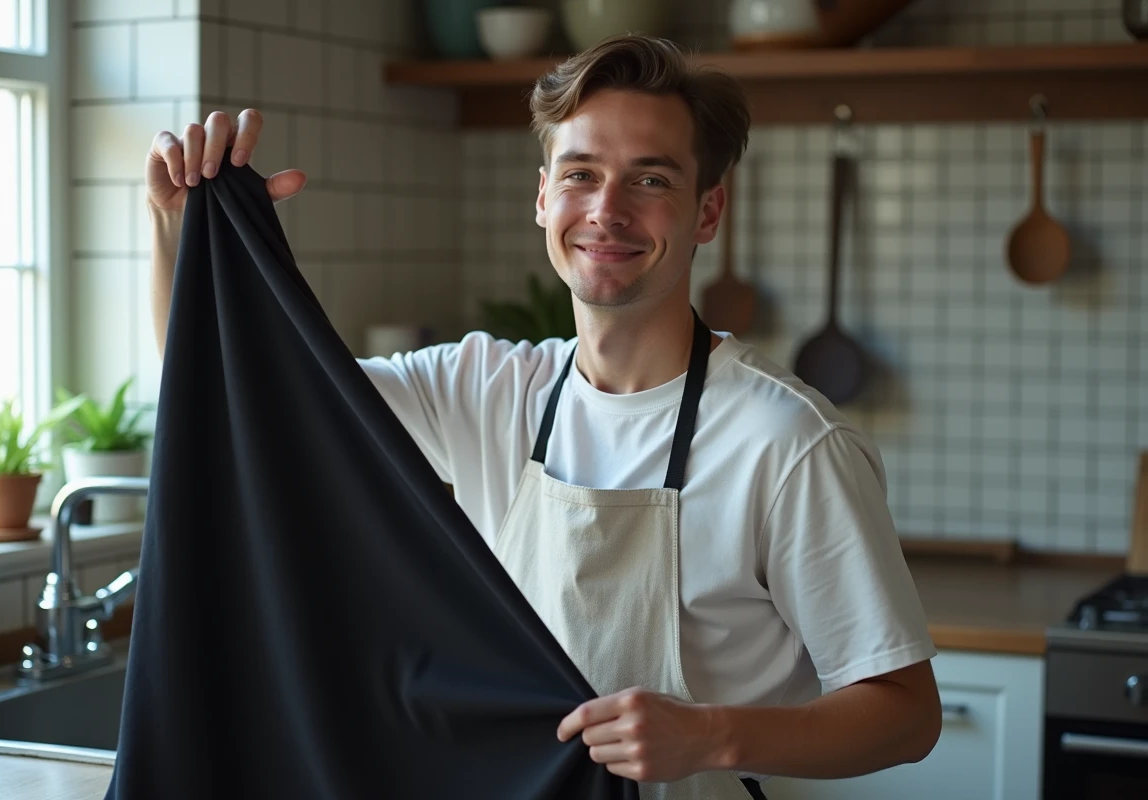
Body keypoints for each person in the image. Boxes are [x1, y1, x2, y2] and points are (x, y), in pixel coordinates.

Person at [144, 34, 941, 800]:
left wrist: (709, 736)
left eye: (652, 179)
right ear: (542, 196)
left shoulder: (789, 443)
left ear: (707, 212)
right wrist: (180, 229)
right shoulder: (480, 387)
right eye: (581, 173)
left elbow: (905, 716)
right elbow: (236, 398)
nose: (608, 209)